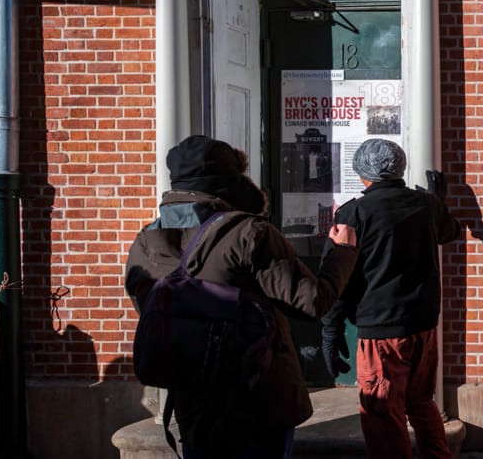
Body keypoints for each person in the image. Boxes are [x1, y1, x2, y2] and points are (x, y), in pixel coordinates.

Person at [125, 135, 358, 459]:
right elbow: (312, 302)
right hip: (258, 400)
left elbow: (151, 313)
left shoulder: (145, 243)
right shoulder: (249, 233)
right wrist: (343, 253)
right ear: (230, 181)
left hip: (193, 403)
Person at [320, 139, 461, 459]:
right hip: (423, 326)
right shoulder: (425, 205)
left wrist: (331, 330)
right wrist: (437, 201)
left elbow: (338, 279)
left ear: (363, 173)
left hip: (381, 331)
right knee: (421, 403)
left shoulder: (354, 213)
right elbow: (448, 232)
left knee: (382, 414)